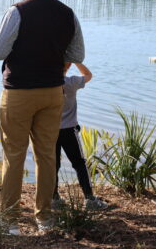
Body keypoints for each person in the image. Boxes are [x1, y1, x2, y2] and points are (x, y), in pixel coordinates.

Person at [0, 0, 84, 235]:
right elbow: (77, 55)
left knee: (14, 155)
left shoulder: (17, 11)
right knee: (46, 156)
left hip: (18, 92)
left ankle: (10, 220)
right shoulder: (68, 14)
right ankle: (44, 218)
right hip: (52, 92)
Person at [53, 63, 107, 210]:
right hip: (69, 130)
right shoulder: (72, 82)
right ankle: (89, 198)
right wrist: (77, 61)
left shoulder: (46, 83)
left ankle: (54, 198)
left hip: (50, 131)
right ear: (68, 66)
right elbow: (88, 75)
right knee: (79, 164)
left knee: (53, 165)